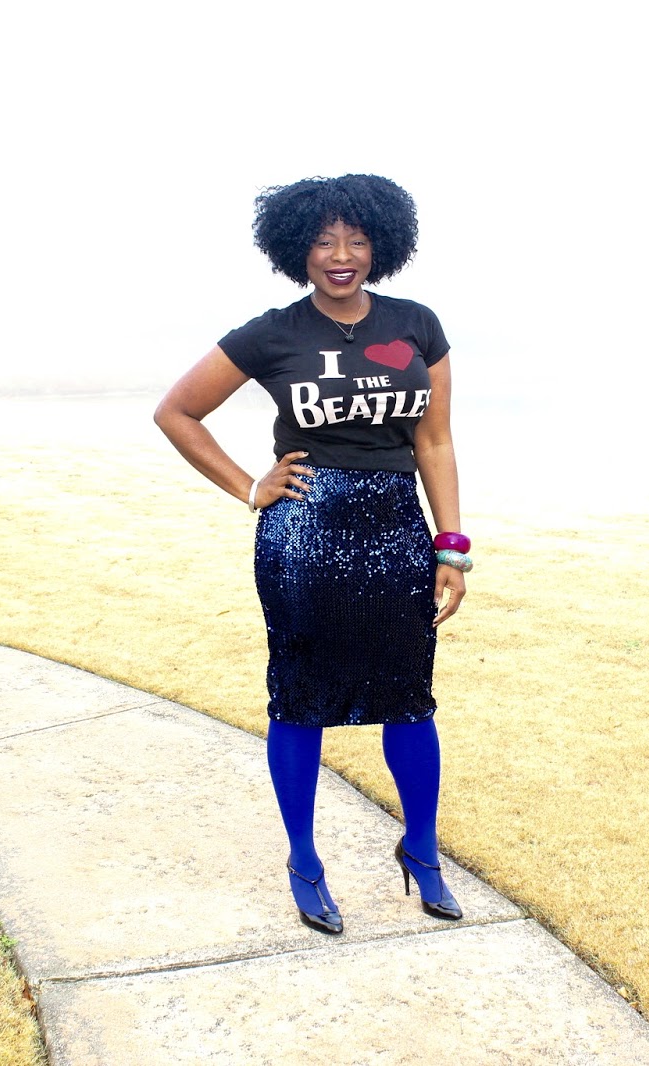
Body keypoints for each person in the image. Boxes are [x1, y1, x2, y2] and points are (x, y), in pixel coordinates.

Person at [154, 173, 472, 935]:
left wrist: (451, 546)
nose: (341, 255)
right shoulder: (272, 333)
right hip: (304, 536)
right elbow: (177, 412)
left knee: (409, 695)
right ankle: (304, 860)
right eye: (325, 241)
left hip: (395, 529)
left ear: (381, 246)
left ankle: (422, 848)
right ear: (297, 249)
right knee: (300, 698)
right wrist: (249, 487)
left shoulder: (417, 325)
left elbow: (434, 441)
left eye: (357, 240)